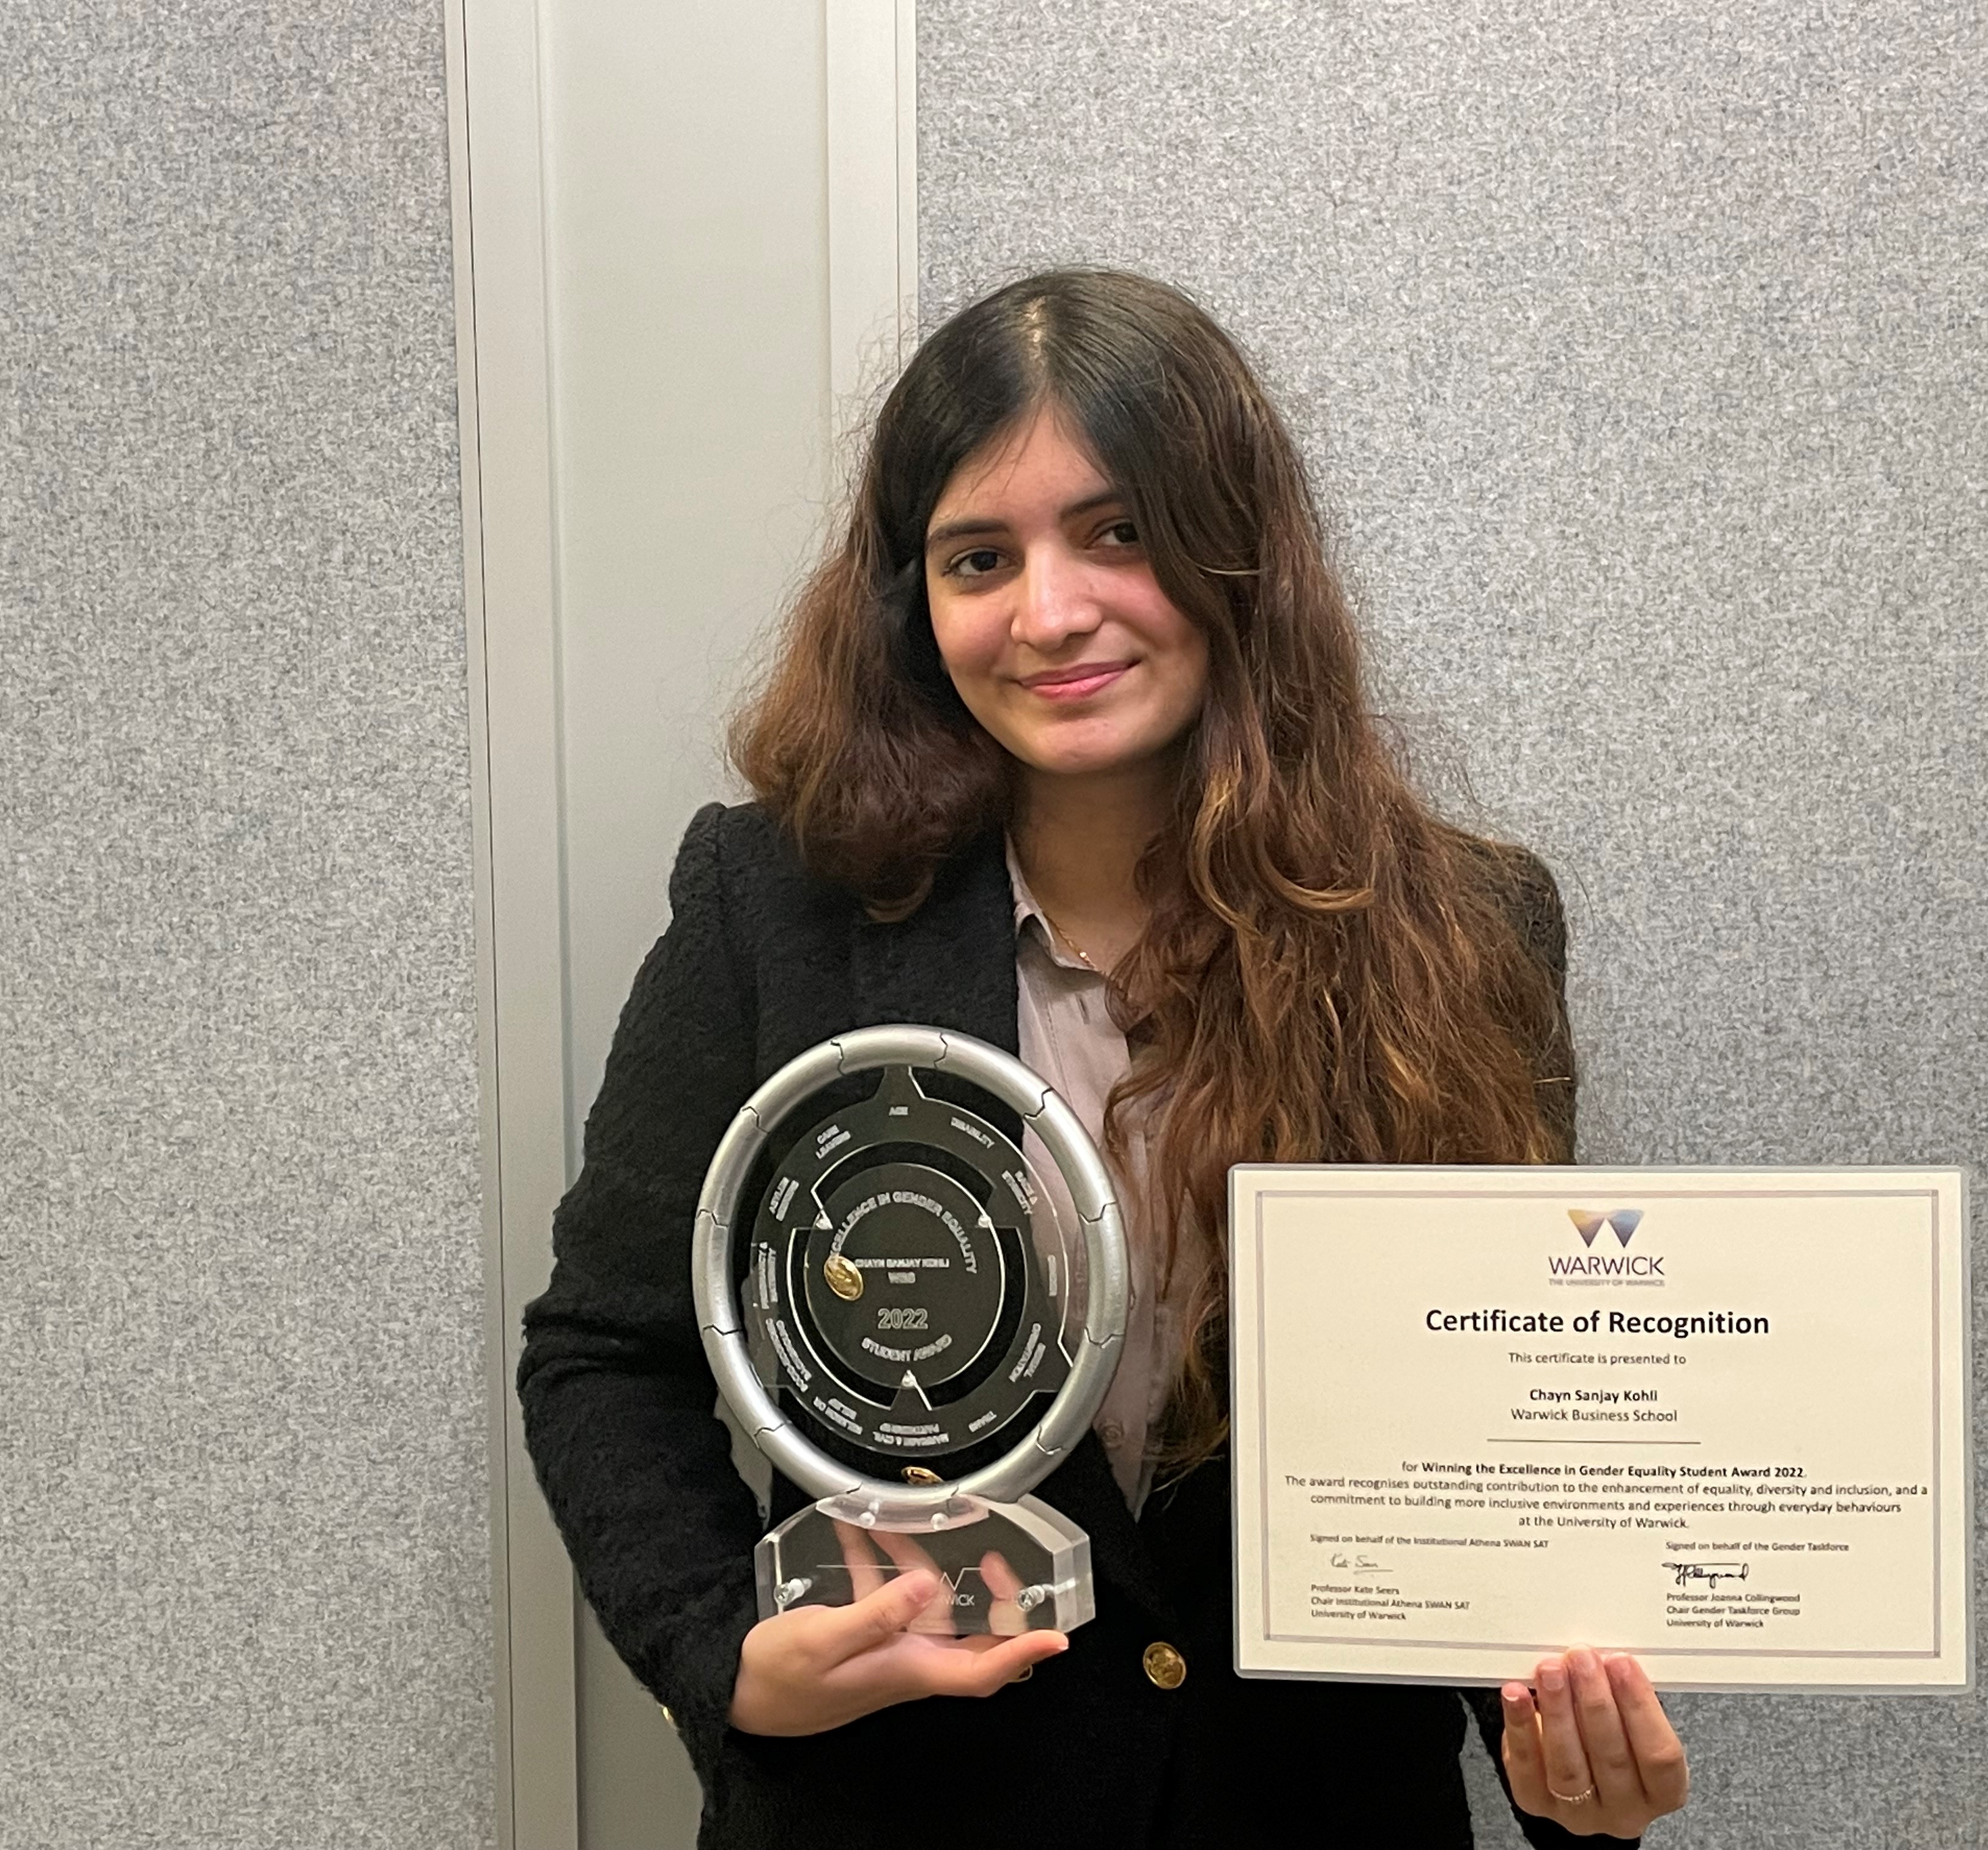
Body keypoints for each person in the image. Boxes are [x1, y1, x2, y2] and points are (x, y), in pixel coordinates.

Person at [518, 269, 1691, 1848]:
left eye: (1119, 532)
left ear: (1235, 551)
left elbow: (1497, 1416)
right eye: (979, 559)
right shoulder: (774, 908)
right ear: (915, 602)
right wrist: (720, 1656)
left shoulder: (1466, 928)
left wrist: (1564, 1773)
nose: (1050, 614)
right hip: (904, 1817)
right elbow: (607, 1352)